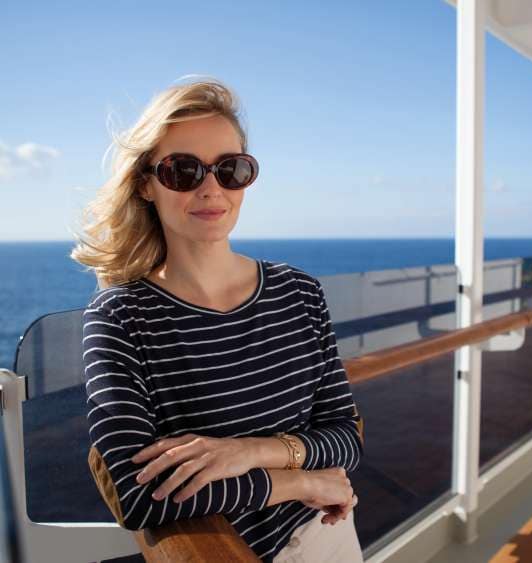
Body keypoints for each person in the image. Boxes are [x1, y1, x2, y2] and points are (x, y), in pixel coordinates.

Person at [71, 79, 364, 563]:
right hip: (219, 551)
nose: (212, 188)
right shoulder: (119, 318)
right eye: (183, 170)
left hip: (325, 539)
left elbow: (345, 438)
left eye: (231, 169)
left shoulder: (300, 292)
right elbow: (137, 495)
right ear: (145, 183)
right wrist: (301, 480)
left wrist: (248, 451)